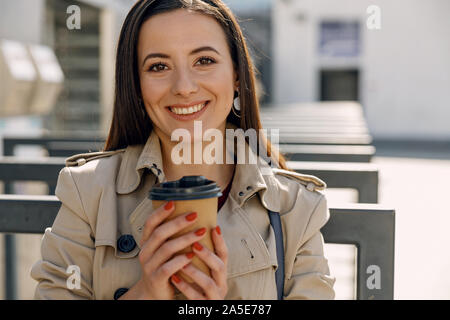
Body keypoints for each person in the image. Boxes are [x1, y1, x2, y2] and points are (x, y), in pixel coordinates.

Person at [30, 0, 335, 300]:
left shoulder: (296, 208)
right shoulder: (87, 191)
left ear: (238, 76)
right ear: (136, 85)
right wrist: (144, 295)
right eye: (159, 66)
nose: (184, 86)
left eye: (204, 61)